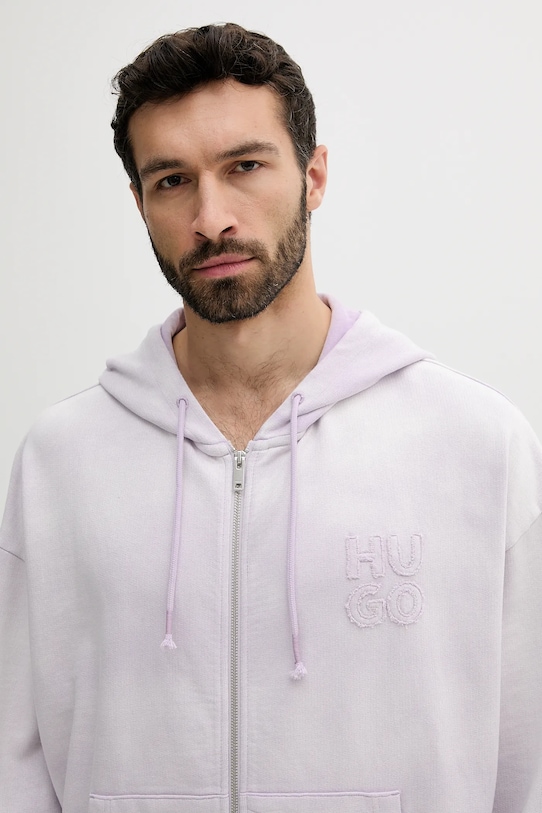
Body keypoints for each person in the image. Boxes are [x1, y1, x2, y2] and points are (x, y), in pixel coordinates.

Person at [0, 22, 541, 813]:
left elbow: (528, 767)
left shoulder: (476, 445)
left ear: (313, 177)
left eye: (245, 166)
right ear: (140, 202)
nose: (212, 216)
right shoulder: (61, 462)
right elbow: (16, 768)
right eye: (172, 181)